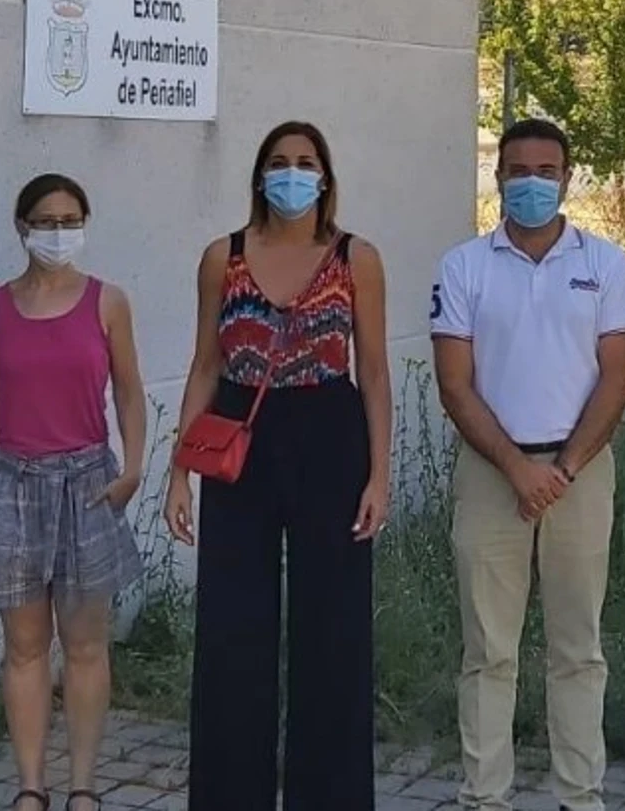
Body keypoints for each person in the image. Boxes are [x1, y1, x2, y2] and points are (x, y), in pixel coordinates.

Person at [162, 122, 393, 810]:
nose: (291, 174)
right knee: (234, 633)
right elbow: (205, 364)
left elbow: (375, 373)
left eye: (305, 162)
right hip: (239, 438)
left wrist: (379, 474)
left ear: (325, 177)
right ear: (260, 175)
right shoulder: (222, 257)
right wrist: (178, 470)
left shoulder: (357, 258)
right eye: (278, 162)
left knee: (334, 632)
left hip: (330, 434)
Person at [431, 118, 625, 811]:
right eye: (517, 170)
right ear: (498, 179)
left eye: (545, 170)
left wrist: (566, 467)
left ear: (567, 177)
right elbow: (456, 383)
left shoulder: (605, 263)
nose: (531, 183)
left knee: (577, 649)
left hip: (579, 473)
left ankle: (579, 797)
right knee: (488, 651)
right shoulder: (463, 265)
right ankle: (483, 797)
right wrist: (519, 468)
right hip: (493, 475)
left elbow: (616, 376)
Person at [0, 173, 147, 811]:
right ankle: (31, 786)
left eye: (70, 220)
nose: (58, 233)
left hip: (88, 484)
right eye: (46, 220)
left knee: (87, 645)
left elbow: (128, 390)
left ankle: (83, 785)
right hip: (12, 483)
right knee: (25, 647)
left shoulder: (107, 302)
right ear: (21, 227)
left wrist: (134, 465)